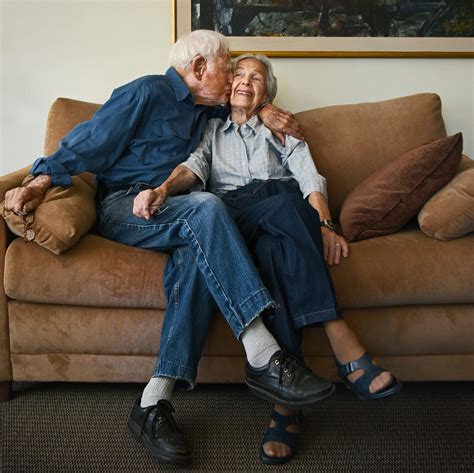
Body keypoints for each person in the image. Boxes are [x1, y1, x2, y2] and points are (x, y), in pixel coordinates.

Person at [3, 31, 338, 465]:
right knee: (207, 209)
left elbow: (246, 102)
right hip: (126, 205)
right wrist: (40, 180)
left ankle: (152, 403)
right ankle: (264, 354)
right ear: (200, 69)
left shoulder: (208, 108)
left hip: (173, 211)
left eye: (240, 69)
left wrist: (268, 109)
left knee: (198, 258)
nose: (234, 74)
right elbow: (88, 141)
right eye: (227, 66)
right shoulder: (147, 92)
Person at [150, 53, 403, 465]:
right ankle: (339, 335)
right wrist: (163, 190)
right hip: (233, 216)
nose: (246, 82)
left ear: (268, 92)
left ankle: (287, 405)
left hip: (281, 217)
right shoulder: (210, 129)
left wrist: (326, 224)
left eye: (257, 79)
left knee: (276, 244)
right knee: (281, 207)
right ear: (228, 84)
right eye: (240, 75)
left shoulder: (281, 127)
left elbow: (308, 177)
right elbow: (191, 167)